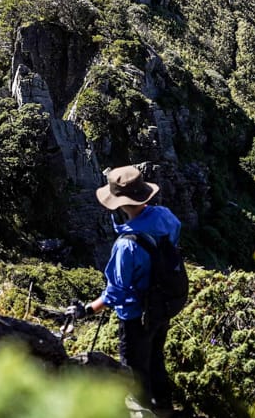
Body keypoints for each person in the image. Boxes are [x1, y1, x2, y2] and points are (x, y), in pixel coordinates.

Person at [68, 165, 181, 417]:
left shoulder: (125, 246)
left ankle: (143, 411)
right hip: (161, 305)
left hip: (135, 316)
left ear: (119, 204)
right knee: (156, 357)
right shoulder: (164, 216)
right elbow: (174, 238)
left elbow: (115, 293)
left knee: (134, 371)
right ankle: (164, 408)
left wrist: (87, 309)